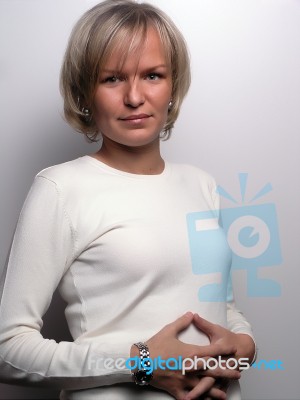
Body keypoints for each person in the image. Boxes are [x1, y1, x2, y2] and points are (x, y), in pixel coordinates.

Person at [0, 1, 256, 399]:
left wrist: (244, 344)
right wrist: (139, 363)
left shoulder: (202, 185)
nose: (135, 97)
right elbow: (7, 350)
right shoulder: (60, 189)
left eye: (152, 75)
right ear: (85, 92)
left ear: (173, 86)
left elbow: (220, 306)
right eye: (113, 78)